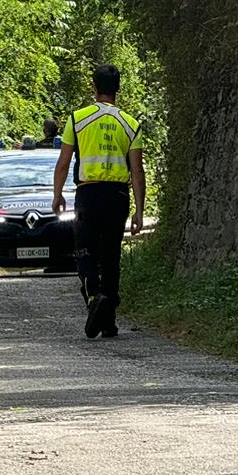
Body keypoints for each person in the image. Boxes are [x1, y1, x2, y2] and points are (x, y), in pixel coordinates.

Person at [51, 65, 147, 339]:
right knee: (111, 255)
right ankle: (109, 322)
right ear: (118, 89)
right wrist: (139, 211)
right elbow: (137, 171)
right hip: (117, 195)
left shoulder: (78, 119)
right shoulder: (130, 123)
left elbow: (64, 162)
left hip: (89, 193)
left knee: (84, 250)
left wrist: (57, 195)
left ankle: (94, 294)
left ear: (93, 88)